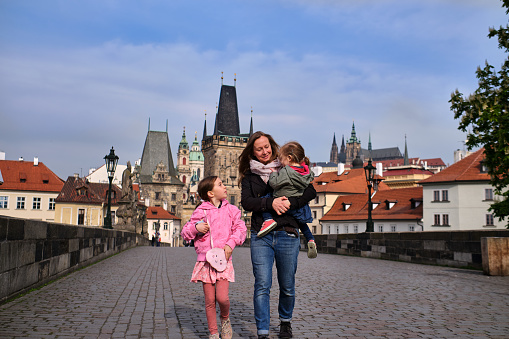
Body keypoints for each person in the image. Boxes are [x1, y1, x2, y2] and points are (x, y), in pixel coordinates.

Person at [239, 131, 317, 339]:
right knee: (262, 284)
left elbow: (311, 192)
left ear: (272, 147)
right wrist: (270, 202)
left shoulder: (286, 166)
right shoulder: (250, 175)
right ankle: (263, 331)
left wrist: (291, 203)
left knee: (287, 284)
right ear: (252, 152)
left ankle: (285, 322)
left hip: (287, 233)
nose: (264, 151)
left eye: (267, 147)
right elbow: (246, 202)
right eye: (259, 149)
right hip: (261, 235)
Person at [181, 176, 247, 339]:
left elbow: (240, 229)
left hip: (223, 260)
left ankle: (225, 319)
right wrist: (196, 227)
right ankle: (213, 333)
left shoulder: (231, 210)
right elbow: (185, 232)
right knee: (210, 300)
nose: (225, 186)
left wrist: (231, 244)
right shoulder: (200, 211)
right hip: (205, 261)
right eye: (220, 184)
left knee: (222, 298)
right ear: (210, 193)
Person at [258, 141, 317, 259]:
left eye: (282, 159)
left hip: (282, 201)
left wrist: (274, 174)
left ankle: (268, 220)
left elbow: (274, 184)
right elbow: (310, 188)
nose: (280, 162)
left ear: (289, 158)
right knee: (302, 223)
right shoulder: (306, 172)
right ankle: (310, 239)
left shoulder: (286, 171)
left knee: (265, 199)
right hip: (298, 207)